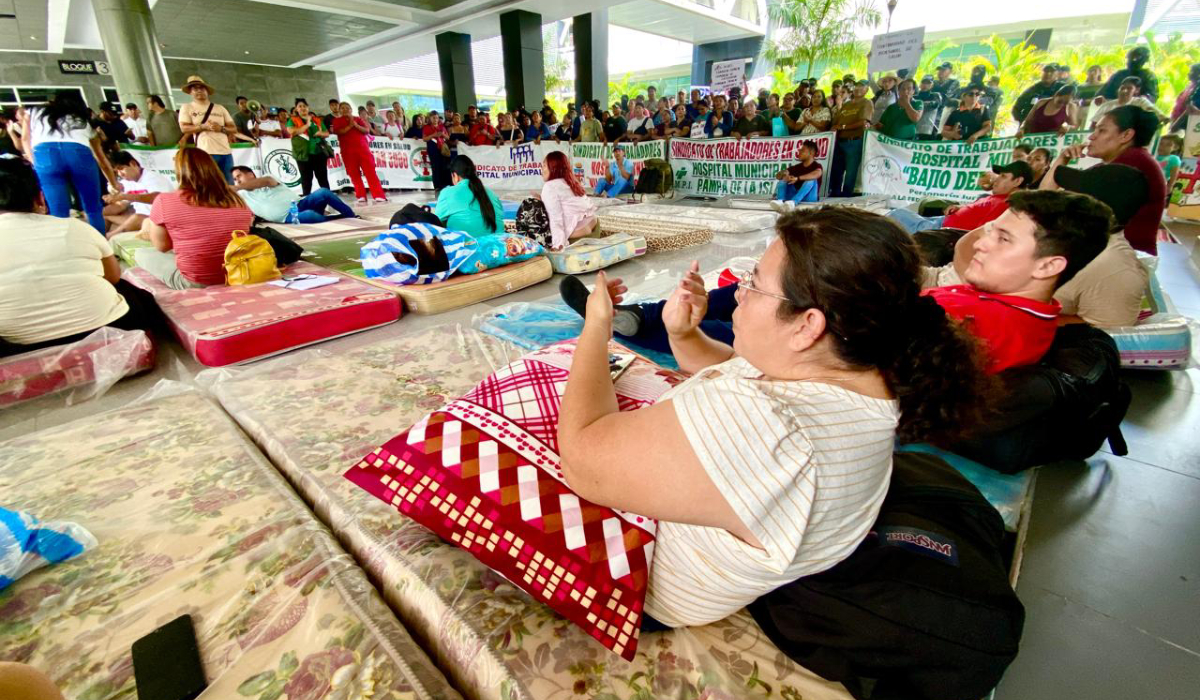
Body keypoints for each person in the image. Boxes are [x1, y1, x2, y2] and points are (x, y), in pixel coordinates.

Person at [555, 206, 993, 629]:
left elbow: (581, 459)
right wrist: (682, 333)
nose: (737, 293)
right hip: (698, 540)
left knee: (527, 403)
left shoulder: (771, 429)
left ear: (807, 326)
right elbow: (733, 368)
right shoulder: (863, 378)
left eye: (754, 283)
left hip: (642, 583)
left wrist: (596, 329)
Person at [0, 157, 158, 358]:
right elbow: (113, 277)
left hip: (22, 348)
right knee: (134, 292)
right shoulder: (75, 227)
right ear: (40, 198)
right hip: (111, 327)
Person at [116, 148, 253, 289]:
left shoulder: (164, 200)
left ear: (179, 172)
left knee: (141, 253)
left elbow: (162, 246)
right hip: (240, 273)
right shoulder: (237, 199)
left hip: (196, 280)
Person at [1040, 105, 1166, 255]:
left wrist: (1061, 161)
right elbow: (1045, 195)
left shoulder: (1132, 164)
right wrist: (1063, 158)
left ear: (1126, 135)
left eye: (1101, 130)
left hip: (1125, 257)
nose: (1092, 137)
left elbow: (1046, 198)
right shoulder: (1117, 163)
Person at [20, 90, 119, 233]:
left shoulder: (34, 112)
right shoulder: (83, 122)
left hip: (45, 155)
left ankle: (64, 244)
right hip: (79, 154)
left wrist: (35, 162)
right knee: (93, 208)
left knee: (58, 211)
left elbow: (24, 139)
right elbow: (101, 159)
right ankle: (101, 243)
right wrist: (113, 183)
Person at [888, 161, 1033, 233]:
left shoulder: (1005, 204)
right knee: (900, 215)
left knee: (896, 215)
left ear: (1017, 181)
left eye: (1003, 177)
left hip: (944, 232)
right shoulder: (998, 197)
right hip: (943, 221)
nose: (997, 179)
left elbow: (981, 232)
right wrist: (961, 208)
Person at [231, 166, 355, 224]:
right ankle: (338, 218)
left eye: (239, 176)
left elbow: (268, 181)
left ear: (250, 174)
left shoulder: (266, 178)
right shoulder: (242, 195)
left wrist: (236, 187)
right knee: (310, 215)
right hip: (289, 216)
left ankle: (351, 216)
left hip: (301, 203)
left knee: (323, 192)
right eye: (235, 179)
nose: (237, 181)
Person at [178, 75, 238, 184]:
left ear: (207, 90)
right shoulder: (187, 107)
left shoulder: (220, 108)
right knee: (210, 184)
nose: (199, 90)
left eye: (201, 88)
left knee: (229, 184)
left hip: (226, 152)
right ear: (190, 92)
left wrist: (221, 128)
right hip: (205, 153)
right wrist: (203, 126)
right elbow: (184, 128)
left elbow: (233, 128)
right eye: (195, 88)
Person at [538, 150, 599, 250]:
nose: (541, 170)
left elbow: (556, 218)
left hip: (578, 236)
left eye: (544, 166)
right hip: (595, 227)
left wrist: (558, 246)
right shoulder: (571, 181)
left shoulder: (549, 187)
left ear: (553, 168)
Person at [102, 151, 172, 236]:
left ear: (133, 163)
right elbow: (120, 206)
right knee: (104, 217)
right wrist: (101, 210)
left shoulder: (153, 177)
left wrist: (125, 196)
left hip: (160, 220)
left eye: (121, 168)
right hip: (141, 219)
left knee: (136, 218)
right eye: (117, 172)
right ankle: (100, 237)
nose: (120, 174)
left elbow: (157, 198)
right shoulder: (127, 182)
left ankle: (108, 237)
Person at [332, 101, 387, 203]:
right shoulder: (337, 120)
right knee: (354, 174)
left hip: (363, 149)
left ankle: (379, 195)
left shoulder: (358, 119)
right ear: (339, 110)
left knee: (370, 172)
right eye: (342, 108)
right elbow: (339, 131)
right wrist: (350, 125)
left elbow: (366, 130)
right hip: (348, 152)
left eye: (347, 107)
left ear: (351, 109)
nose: (345, 109)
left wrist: (356, 125)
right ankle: (360, 195)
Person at [434, 155, 502, 237]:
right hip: (498, 243)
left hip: (467, 244)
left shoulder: (447, 193)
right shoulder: (492, 194)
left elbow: (435, 222)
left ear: (455, 176)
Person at [828, 81, 873, 197]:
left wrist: (843, 127)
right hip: (840, 141)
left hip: (854, 141)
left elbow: (863, 121)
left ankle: (846, 196)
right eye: (857, 86)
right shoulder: (847, 104)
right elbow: (836, 121)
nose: (858, 89)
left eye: (862, 87)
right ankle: (835, 194)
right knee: (837, 170)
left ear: (866, 90)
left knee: (850, 172)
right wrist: (835, 126)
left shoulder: (866, 102)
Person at [287, 99, 331, 196]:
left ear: (308, 107)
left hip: (318, 152)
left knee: (323, 178)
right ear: (296, 109)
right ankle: (307, 201)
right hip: (303, 154)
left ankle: (329, 198)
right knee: (306, 179)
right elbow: (292, 131)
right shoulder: (292, 120)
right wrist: (307, 125)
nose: (303, 108)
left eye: (304, 106)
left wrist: (319, 133)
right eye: (300, 106)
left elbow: (326, 133)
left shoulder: (316, 120)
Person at [1089, 77, 1167, 129]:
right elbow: (1093, 125)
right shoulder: (1107, 105)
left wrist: (1161, 118)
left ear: (1136, 90)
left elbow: (1155, 113)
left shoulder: (1141, 102)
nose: (1124, 91)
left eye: (1129, 88)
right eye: (1122, 88)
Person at [773, 140, 823, 205]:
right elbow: (778, 176)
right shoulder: (796, 167)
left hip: (809, 198)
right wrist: (785, 175)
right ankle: (780, 201)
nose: (799, 152)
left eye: (803, 150)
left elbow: (817, 174)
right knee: (783, 180)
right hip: (793, 195)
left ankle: (794, 202)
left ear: (811, 153)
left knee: (812, 180)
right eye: (800, 150)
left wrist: (797, 178)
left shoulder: (817, 166)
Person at [1169, 63, 1200, 133]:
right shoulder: (1189, 86)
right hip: (1176, 120)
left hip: (1184, 125)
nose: (1188, 73)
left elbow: (1190, 108)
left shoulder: (1197, 89)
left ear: (1198, 73)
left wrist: (1176, 125)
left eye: (1192, 71)